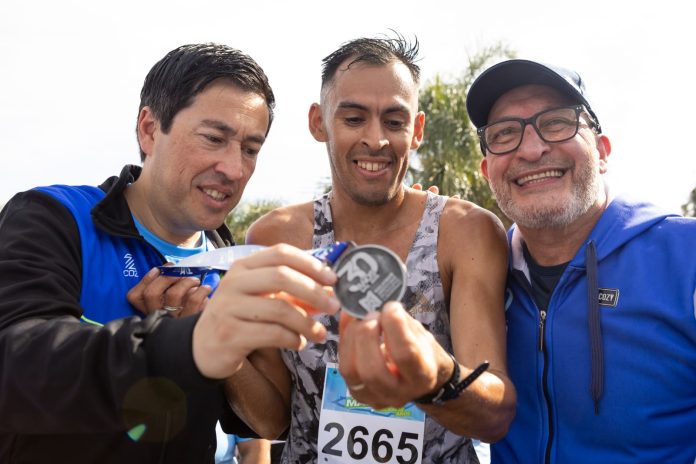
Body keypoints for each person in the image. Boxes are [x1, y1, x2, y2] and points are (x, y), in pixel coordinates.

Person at [0, 43, 340, 463]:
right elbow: (16, 363)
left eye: (250, 149)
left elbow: (267, 424)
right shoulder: (56, 216)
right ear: (148, 129)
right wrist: (186, 341)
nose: (234, 169)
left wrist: (219, 344)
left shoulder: (232, 266)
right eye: (213, 139)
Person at [246, 34, 516, 463]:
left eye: (394, 121)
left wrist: (436, 379)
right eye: (354, 119)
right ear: (319, 122)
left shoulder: (464, 232)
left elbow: (496, 414)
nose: (376, 140)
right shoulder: (276, 239)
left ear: (417, 130)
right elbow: (271, 421)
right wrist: (211, 340)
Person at [466, 59, 696, 463]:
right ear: (488, 171)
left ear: (602, 152)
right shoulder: (476, 272)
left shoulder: (685, 257)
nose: (532, 149)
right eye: (504, 134)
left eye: (556, 123)